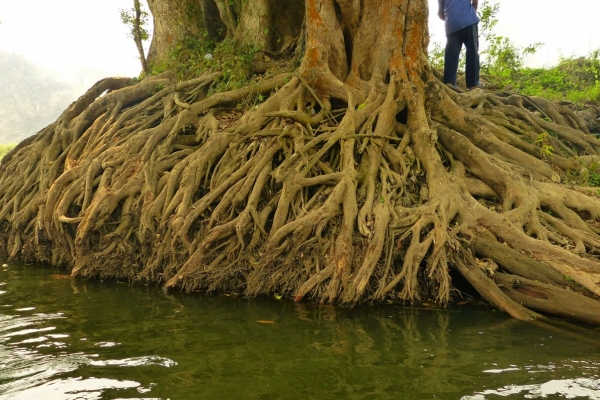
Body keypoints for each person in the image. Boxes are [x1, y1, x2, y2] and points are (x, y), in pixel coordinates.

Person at [438, 0, 485, 92]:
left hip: (451, 25)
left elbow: (440, 14)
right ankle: (473, 84)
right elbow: (475, 2)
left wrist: (453, 18)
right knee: (472, 51)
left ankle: (449, 82)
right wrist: (467, 14)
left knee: (451, 54)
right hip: (468, 21)